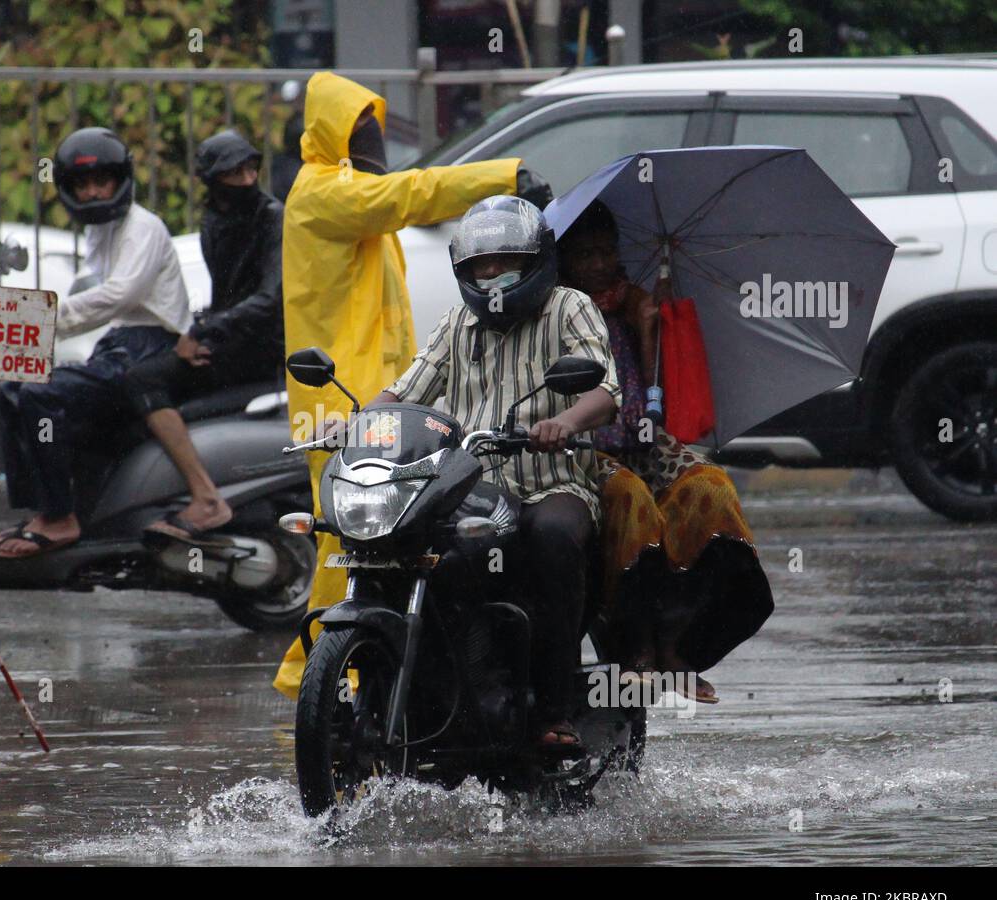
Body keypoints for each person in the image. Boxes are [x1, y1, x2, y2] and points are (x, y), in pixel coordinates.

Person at [272, 70, 551, 698]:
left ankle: (391, 660)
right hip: (342, 401)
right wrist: (502, 181)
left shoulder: (347, 196)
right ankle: (316, 670)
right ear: (335, 138)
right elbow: (414, 193)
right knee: (345, 539)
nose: (374, 144)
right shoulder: (325, 193)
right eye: (361, 131)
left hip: (387, 396)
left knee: (403, 531)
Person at [364, 196, 621, 748]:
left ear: (535, 262)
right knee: (412, 551)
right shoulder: (457, 323)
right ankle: (442, 688)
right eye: (480, 266)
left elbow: (605, 391)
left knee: (552, 538)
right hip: (467, 490)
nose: (490, 275)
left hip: (553, 481)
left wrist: (564, 421)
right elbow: (406, 390)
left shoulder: (568, 307)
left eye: (502, 262)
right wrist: (360, 423)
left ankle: (554, 710)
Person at [556, 200, 774, 701]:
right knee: (631, 501)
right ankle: (635, 646)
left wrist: (652, 321)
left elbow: (657, 391)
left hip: (641, 436)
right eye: (585, 255)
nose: (597, 265)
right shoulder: (554, 310)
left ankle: (679, 647)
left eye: (606, 253)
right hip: (586, 447)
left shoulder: (633, 302)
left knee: (709, 489)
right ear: (565, 262)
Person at [0, 127, 189, 557]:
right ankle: (45, 509)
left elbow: (119, 295)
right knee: (11, 389)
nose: (94, 192)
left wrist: (44, 321)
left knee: (40, 395)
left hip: (148, 348)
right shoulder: (102, 232)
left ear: (122, 180)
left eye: (103, 181)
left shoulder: (143, 228)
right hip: (119, 343)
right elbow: (93, 299)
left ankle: (61, 519)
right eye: (83, 184)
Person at [115, 128, 285, 539]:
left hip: (259, 348)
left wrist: (206, 331)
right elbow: (226, 293)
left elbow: (271, 298)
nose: (246, 180)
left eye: (250, 169)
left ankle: (207, 498)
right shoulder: (216, 220)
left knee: (142, 381)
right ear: (210, 180)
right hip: (227, 340)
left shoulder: (272, 217)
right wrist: (199, 332)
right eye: (233, 173)